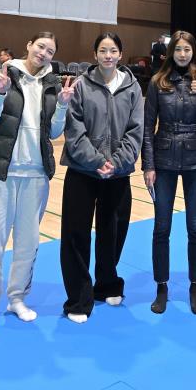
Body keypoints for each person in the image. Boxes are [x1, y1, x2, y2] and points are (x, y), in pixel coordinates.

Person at [0, 32, 77, 331]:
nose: (44, 53)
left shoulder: (53, 85)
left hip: (35, 176)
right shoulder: (3, 76)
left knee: (27, 245)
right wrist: (0, 94)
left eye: (50, 50)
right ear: (29, 46)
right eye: (40, 46)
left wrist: (62, 106)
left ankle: (17, 298)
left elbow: (54, 132)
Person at [61, 33, 144, 324]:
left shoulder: (133, 87)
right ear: (94, 54)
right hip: (82, 171)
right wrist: (97, 161)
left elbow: (136, 130)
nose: (108, 55)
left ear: (120, 54)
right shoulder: (81, 85)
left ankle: (107, 284)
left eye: (113, 50)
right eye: (103, 50)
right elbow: (74, 130)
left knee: (113, 231)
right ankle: (78, 298)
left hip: (118, 173)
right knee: (76, 235)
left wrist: (117, 163)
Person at [142, 30, 196, 315]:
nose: (183, 54)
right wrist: (148, 165)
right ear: (171, 52)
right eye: (178, 49)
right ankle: (161, 287)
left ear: (193, 52)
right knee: (162, 227)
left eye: (187, 49)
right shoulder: (157, 82)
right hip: (163, 160)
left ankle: (195, 288)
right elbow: (148, 127)